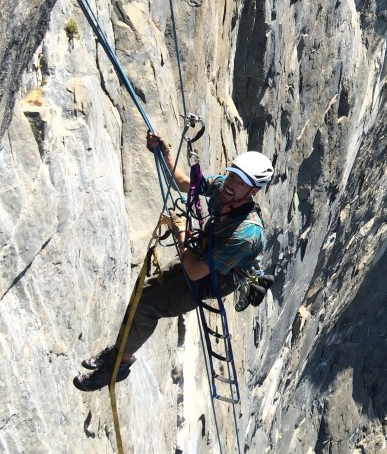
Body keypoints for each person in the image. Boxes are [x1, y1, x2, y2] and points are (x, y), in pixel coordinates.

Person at [73, 131, 273, 391]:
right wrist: (164, 152)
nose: (231, 183)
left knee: (147, 306)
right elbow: (183, 183)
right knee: (143, 292)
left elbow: (194, 271)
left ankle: (119, 366)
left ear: (253, 191)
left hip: (216, 278)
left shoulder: (246, 234)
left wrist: (182, 231)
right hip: (204, 253)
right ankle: (121, 348)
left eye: (241, 182)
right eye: (233, 175)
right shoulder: (225, 188)